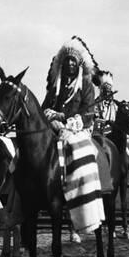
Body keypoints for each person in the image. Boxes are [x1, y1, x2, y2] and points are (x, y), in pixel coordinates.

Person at [41, 37, 100, 243]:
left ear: (79, 64)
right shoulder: (56, 84)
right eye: (67, 61)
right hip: (54, 129)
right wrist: (49, 116)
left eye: (73, 61)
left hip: (77, 129)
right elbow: (44, 107)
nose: (70, 64)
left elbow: (88, 113)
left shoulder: (86, 85)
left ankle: (82, 205)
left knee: (76, 151)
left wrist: (64, 119)